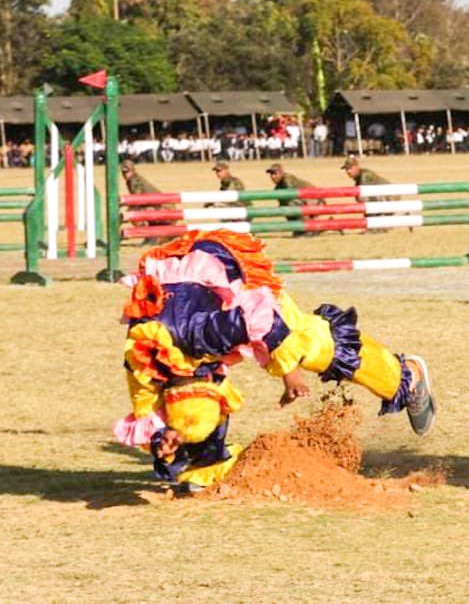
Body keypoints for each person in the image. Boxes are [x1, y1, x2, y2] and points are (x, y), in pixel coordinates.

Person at [112, 230, 436, 490]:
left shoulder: (208, 332)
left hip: (229, 275)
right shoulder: (143, 360)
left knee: (314, 345)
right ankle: (207, 465)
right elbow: (145, 407)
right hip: (183, 291)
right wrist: (163, 439)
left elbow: (262, 313)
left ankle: (405, 377)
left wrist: (289, 373)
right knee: (197, 415)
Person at [121, 158, 170, 245]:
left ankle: (149, 235)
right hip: (160, 207)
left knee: (132, 214)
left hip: (163, 209)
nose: (125, 175)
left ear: (133, 171)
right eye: (123, 172)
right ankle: (151, 236)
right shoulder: (132, 180)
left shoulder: (134, 181)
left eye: (127, 172)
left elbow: (137, 199)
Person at [266, 162, 322, 236]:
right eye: (271, 174)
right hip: (307, 202)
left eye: (275, 173)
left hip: (316, 201)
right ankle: (300, 228)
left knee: (291, 204)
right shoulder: (278, 188)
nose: (273, 177)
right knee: (284, 206)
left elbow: (291, 196)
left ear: (281, 173)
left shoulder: (287, 179)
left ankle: (307, 228)